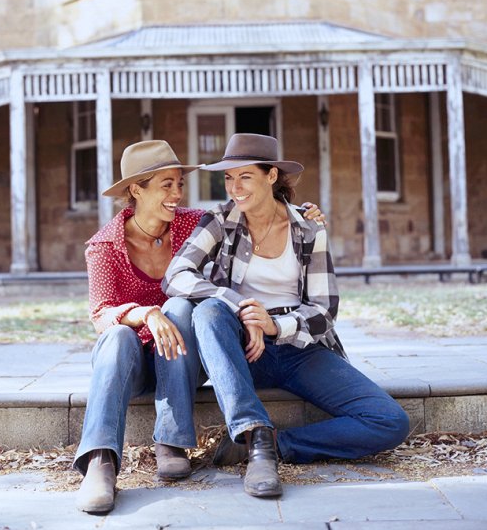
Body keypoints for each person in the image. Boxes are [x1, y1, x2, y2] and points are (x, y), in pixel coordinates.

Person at [73, 138, 329, 514]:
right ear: (135, 190)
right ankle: (100, 462)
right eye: (167, 185)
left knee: (179, 305)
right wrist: (145, 314)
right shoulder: (104, 245)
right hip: (133, 364)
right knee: (117, 337)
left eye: (180, 183)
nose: (178, 193)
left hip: (184, 360)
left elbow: (250, 213)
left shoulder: (194, 223)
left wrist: (302, 213)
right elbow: (100, 314)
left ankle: (171, 441)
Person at [162, 133, 410, 499]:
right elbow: (176, 275)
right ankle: (255, 435)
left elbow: (325, 311)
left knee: (390, 421)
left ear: (271, 176)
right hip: (245, 349)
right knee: (210, 312)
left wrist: (276, 324)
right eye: (229, 177)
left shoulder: (309, 229)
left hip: (300, 349)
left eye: (245, 176)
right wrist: (241, 307)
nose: (235, 187)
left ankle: (278, 444)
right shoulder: (219, 219)